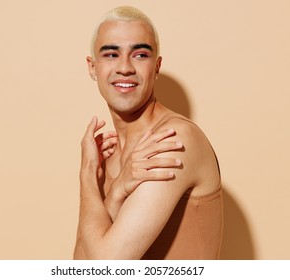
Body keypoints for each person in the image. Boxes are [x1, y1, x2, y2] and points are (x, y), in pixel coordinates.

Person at [73, 6, 222, 260]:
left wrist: (87, 176)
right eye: (111, 54)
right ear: (92, 67)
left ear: (156, 66)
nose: (125, 67)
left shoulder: (173, 140)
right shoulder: (110, 158)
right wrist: (117, 189)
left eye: (140, 55)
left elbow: (105, 266)